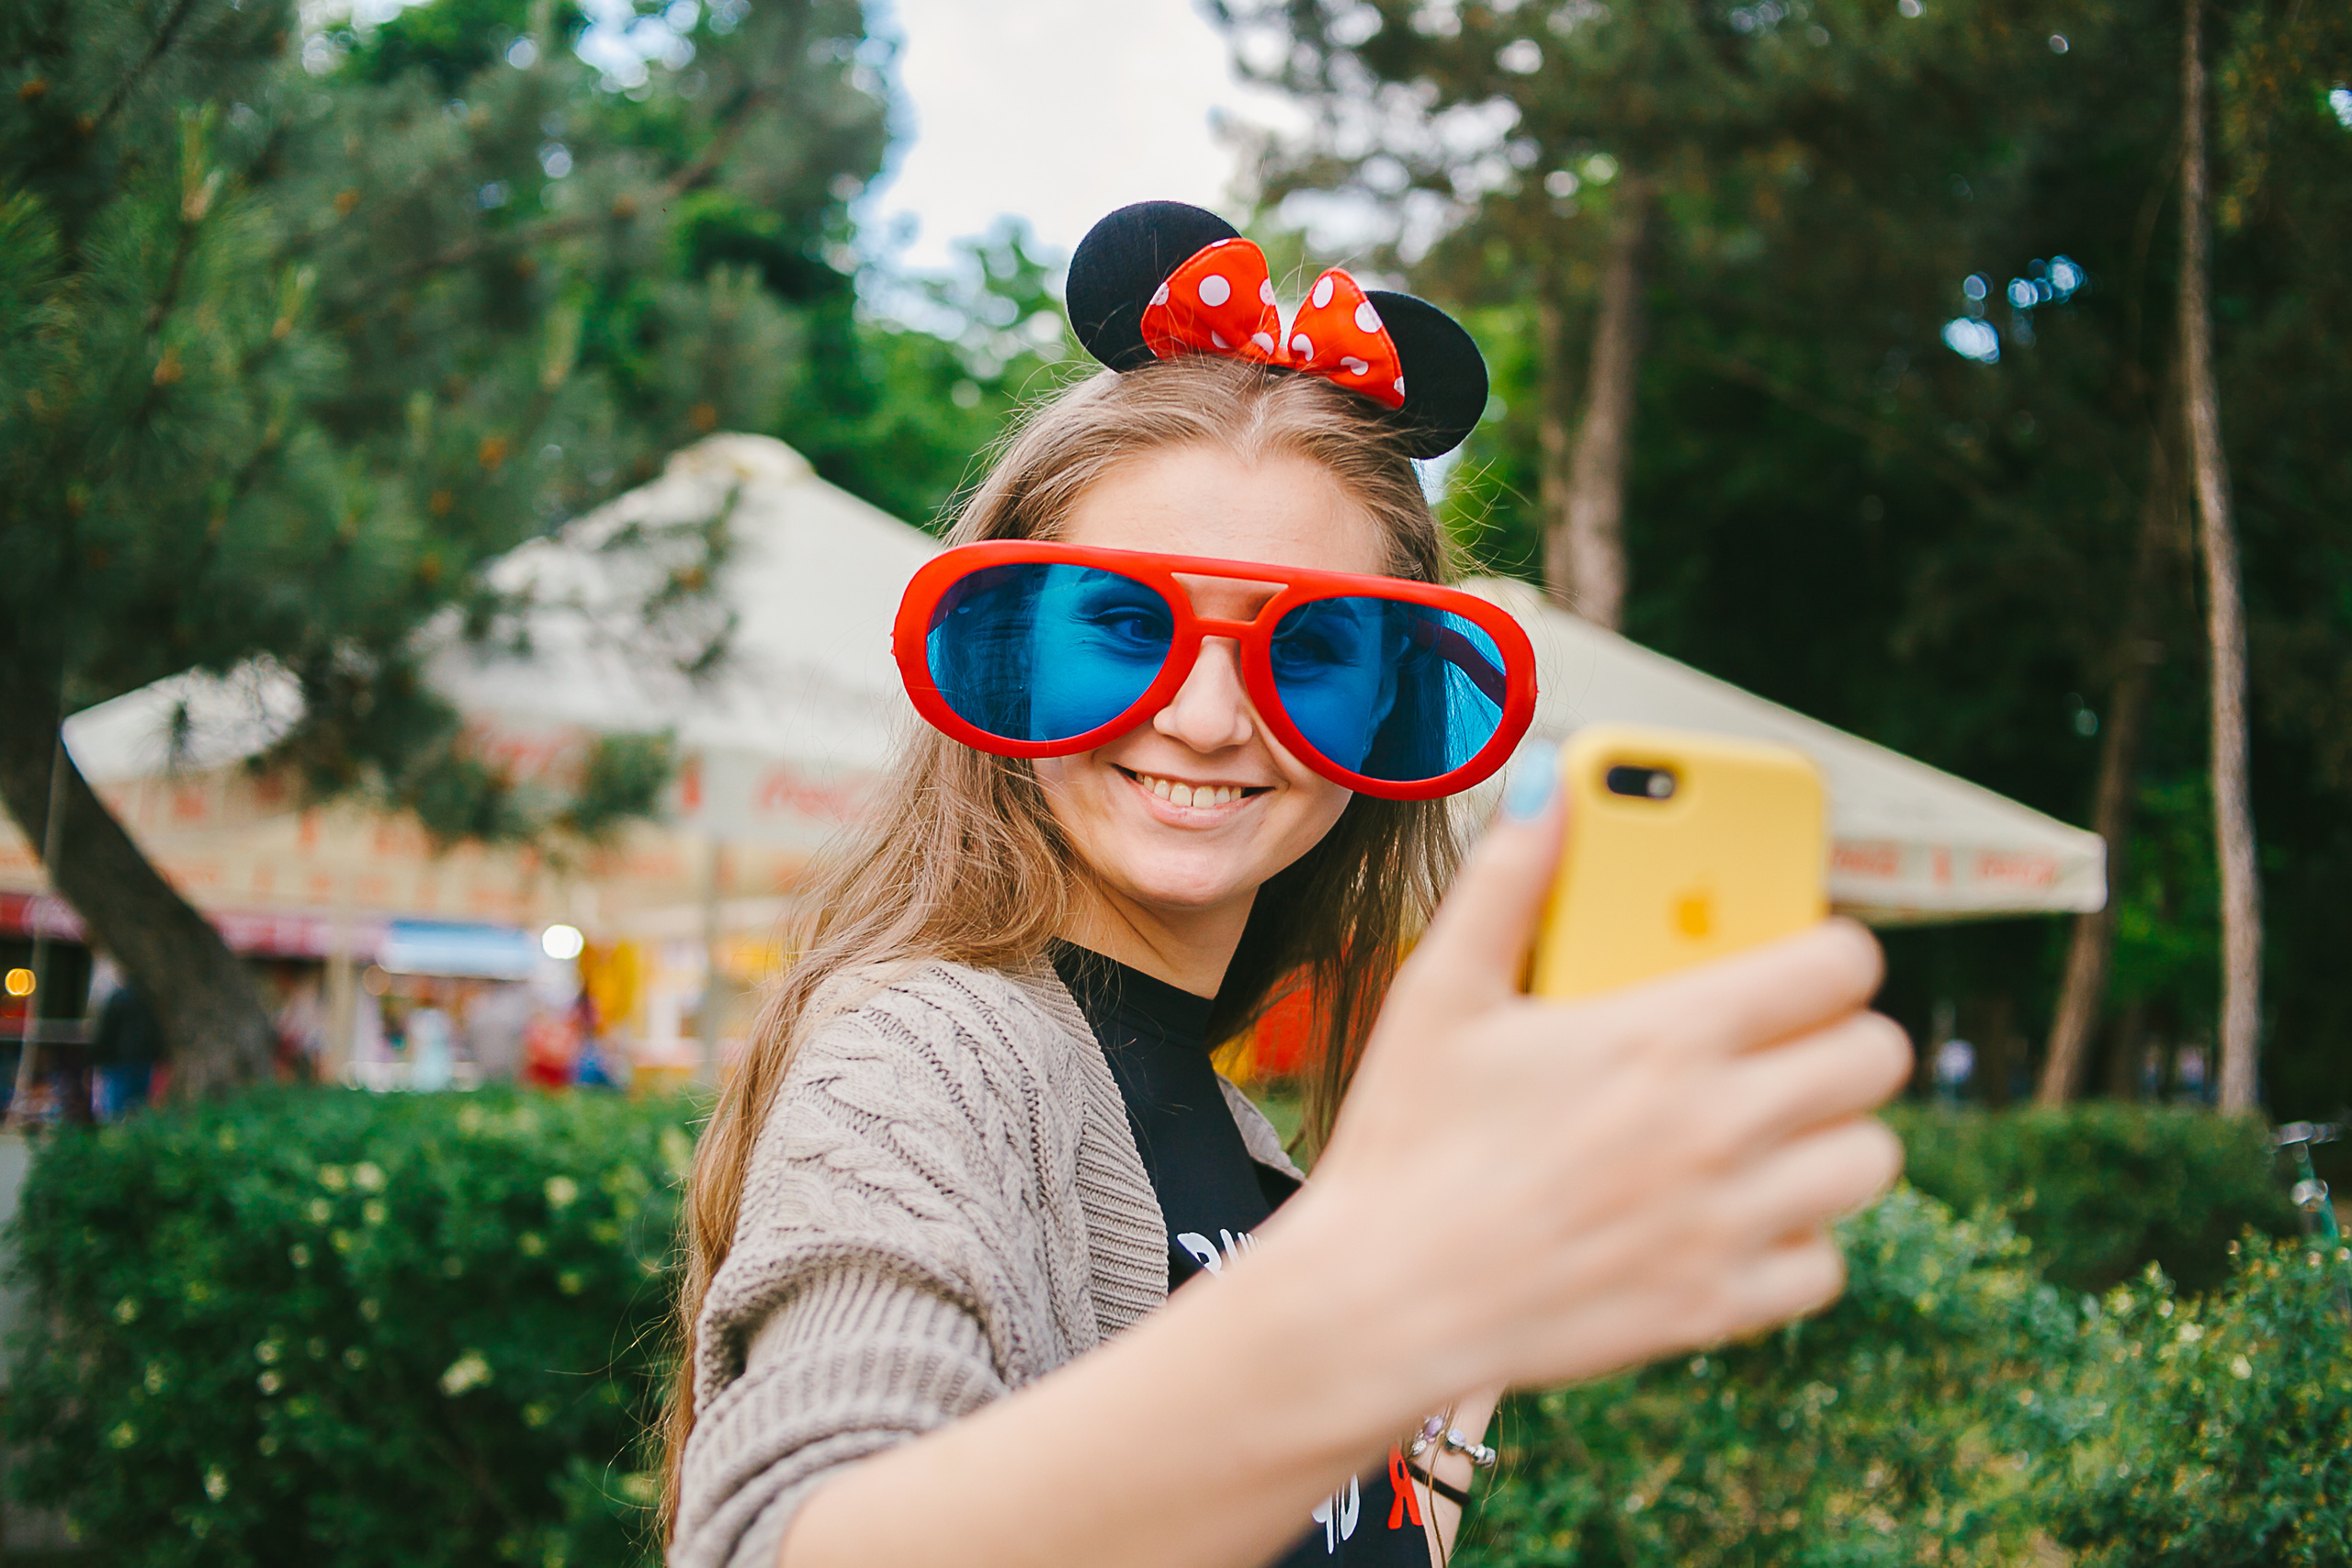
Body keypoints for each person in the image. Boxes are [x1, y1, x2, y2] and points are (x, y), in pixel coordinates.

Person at [664, 202, 1908, 1568]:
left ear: (1388, 708)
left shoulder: (1246, 1146)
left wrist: (1447, 1357)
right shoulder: (929, 1053)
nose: (1203, 715)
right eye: (1126, 627)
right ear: (1008, 655)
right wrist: (1351, 1314)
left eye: (1308, 647)